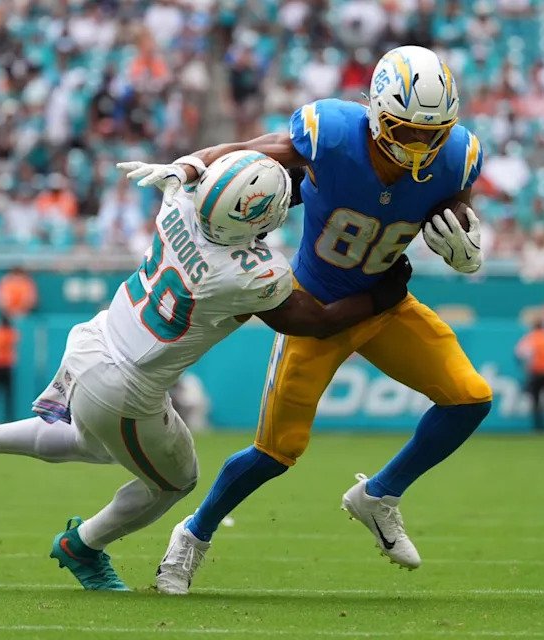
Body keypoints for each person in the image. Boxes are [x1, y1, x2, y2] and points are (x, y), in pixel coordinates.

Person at [0, 152, 412, 591]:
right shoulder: (249, 274)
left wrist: (194, 167)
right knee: (175, 482)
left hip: (95, 341)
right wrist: (386, 292)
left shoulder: (178, 199)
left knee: (90, 441)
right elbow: (317, 323)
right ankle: (82, 546)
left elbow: (201, 168)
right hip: (128, 384)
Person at [122, 45, 491, 592]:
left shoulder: (458, 154)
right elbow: (250, 152)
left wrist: (467, 247)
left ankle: (379, 496)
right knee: (275, 453)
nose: (418, 146)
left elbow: (453, 206)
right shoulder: (334, 135)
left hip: (387, 308)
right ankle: (192, 535)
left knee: (470, 398)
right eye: (405, 130)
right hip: (314, 307)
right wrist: (191, 164)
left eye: (429, 133)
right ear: (375, 112)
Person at [515, 318, 544, 431]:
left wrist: (526, 368)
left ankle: (538, 427)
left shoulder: (530, 337)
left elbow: (519, 354)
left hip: (535, 373)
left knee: (536, 400)